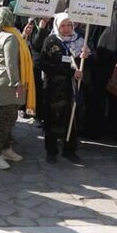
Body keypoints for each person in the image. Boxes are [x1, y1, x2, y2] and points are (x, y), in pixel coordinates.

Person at [40, 13, 91, 164]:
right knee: (51, 119)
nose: (67, 28)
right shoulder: (51, 41)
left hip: (72, 88)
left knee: (72, 118)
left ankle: (69, 149)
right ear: (57, 26)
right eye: (63, 25)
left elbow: (92, 58)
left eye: (69, 25)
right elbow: (44, 64)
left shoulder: (79, 40)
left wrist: (86, 56)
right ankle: (51, 151)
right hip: (54, 89)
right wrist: (70, 71)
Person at [0, 6, 33, 170]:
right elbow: (11, 63)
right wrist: (17, 84)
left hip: (0, 80)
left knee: (8, 117)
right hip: (8, 83)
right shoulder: (10, 37)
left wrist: (24, 35)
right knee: (7, 119)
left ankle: (6, 148)